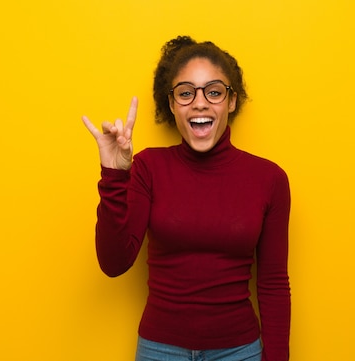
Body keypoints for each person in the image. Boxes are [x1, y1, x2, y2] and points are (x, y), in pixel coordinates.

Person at [82, 35, 291, 361]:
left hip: (240, 351)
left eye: (214, 91)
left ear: (231, 101)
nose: (199, 102)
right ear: (172, 105)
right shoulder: (149, 167)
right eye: (185, 93)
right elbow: (114, 263)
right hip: (159, 350)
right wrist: (114, 176)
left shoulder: (270, 179)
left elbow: (274, 284)